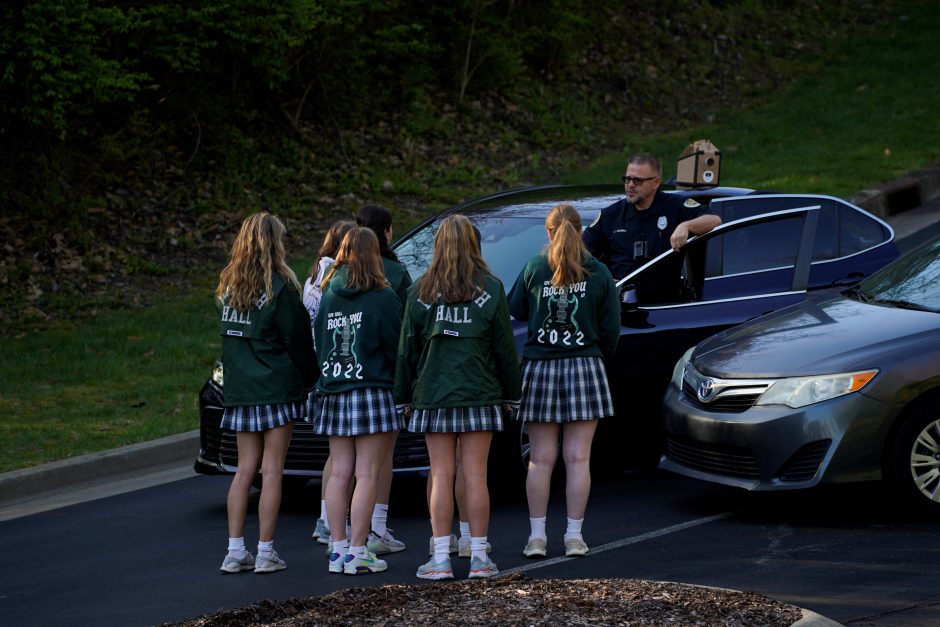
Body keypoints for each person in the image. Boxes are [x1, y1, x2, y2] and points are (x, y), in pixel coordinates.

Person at [395, 214, 521, 580]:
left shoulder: (418, 291)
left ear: (438, 247)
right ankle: (480, 558)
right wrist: (511, 394)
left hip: (434, 395)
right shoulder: (493, 289)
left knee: (441, 473)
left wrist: (403, 398)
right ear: (474, 245)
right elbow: (504, 349)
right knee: (475, 474)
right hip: (480, 393)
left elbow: (407, 351)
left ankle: (440, 560)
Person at [508, 203, 620, 559]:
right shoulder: (599, 272)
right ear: (581, 231)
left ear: (548, 232)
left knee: (540, 459)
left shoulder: (535, 267)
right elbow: (611, 331)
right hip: (585, 366)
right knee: (578, 458)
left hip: (541, 368)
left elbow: (517, 309)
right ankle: (574, 536)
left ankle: (536, 537)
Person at [216, 212, 317, 575]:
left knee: (244, 470)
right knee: (273, 470)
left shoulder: (227, 289)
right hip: (277, 388)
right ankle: (265, 552)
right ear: (275, 243)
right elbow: (299, 342)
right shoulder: (281, 287)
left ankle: (233, 551)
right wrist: (311, 379)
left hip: (242, 390)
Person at [313, 227, 403, 575]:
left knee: (339, 472)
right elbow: (396, 348)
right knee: (367, 473)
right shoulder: (383, 296)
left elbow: (320, 343)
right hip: (371, 389)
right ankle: (358, 550)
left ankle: (337, 550)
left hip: (334, 388)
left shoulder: (329, 294)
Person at [355, 204, 413, 556]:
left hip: (343, 377)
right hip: (381, 378)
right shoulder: (395, 273)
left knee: (345, 462)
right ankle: (374, 528)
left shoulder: (338, 276)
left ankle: (337, 532)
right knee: (379, 461)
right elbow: (405, 331)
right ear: (387, 232)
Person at [582, 152, 721, 281]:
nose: (630, 185)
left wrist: (686, 226)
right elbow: (581, 253)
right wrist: (603, 282)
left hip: (666, 303)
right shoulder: (611, 215)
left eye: (637, 181)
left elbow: (715, 220)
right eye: (627, 179)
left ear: (656, 182)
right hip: (621, 302)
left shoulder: (674, 206)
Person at [303, 220, 356, 546]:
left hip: (316, 368)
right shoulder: (331, 279)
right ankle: (331, 522)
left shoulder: (313, 275)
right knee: (344, 460)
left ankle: (326, 517)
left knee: (335, 459)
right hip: (331, 367)